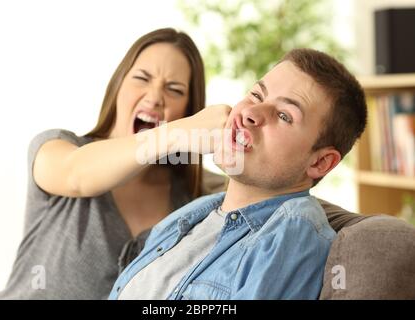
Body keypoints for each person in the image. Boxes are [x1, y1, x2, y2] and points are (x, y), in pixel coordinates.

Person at [108, 48, 368, 300]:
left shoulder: (291, 236)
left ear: (321, 162)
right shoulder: (196, 213)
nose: (250, 113)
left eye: (284, 115)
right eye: (256, 95)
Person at [0, 28, 230, 299]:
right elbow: (76, 175)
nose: (154, 97)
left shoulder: (194, 198)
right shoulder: (56, 148)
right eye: (142, 78)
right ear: (118, 85)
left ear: (188, 109)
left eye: (174, 89)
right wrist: (178, 134)